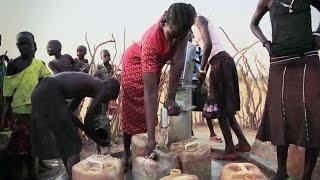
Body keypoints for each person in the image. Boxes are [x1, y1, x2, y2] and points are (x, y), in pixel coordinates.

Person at [120, 3, 196, 170]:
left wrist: (170, 98)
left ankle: (144, 152)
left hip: (153, 66)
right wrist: (152, 138)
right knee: (131, 111)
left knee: (149, 116)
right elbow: (151, 91)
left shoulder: (180, 29)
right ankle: (127, 153)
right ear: (163, 24)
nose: (174, 41)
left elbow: (177, 63)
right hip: (134, 63)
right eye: (172, 36)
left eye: (179, 37)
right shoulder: (151, 41)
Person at [251, 0, 320, 179]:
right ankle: (281, 172)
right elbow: (253, 24)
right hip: (279, 63)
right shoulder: (267, 1)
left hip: (307, 59)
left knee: (314, 114)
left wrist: (318, 34)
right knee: (279, 114)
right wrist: (266, 44)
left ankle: (306, 176)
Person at [31, 72, 120, 179]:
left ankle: (72, 176)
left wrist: (86, 130)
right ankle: (76, 177)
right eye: (110, 97)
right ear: (109, 87)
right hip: (50, 90)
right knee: (72, 144)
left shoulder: (85, 87)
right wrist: (98, 140)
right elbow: (88, 119)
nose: (106, 101)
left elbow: (69, 113)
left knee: (66, 142)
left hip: (40, 90)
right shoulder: (100, 86)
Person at [195, 15, 251, 160]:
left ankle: (230, 150)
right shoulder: (198, 26)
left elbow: (208, 45)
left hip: (220, 63)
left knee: (219, 108)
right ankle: (243, 143)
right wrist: (204, 71)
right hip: (221, 62)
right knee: (225, 109)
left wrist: (201, 71)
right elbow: (208, 52)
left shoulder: (199, 19)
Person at [2, 31, 51, 179]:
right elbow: (8, 93)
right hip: (18, 113)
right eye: (20, 44)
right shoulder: (12, 65)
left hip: (35, 112)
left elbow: (47, 80)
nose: (24, 46)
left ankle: (32, 174)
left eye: (27, 43)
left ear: (33, 45)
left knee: (32, 147)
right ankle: (19, 175)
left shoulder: (38, 64)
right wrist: (6, 112)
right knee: (18, 149)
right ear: (17, 46)